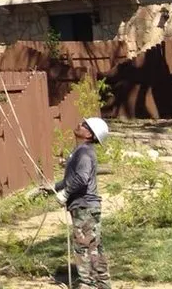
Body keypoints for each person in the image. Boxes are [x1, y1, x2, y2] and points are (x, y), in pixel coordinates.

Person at [46, 116, 111, 289]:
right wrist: (53, 187)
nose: (79, 124)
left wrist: (65, 193)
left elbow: (81, 179)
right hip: (86, 207)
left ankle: (87, 284)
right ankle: (102, 285)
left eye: (84, 125)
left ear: (89, 134)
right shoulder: (79, 152)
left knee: (83, 248)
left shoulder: (84, 153)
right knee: (93, 247)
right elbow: (73, 178)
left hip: (85, 207)